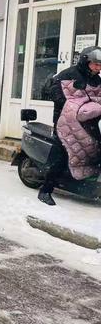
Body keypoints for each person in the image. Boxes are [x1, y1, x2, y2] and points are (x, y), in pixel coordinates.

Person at [41, 46, 101, 205]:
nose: (97, 68)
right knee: (63, 154)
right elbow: (55, 93)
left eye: (100, 65)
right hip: (66, 123)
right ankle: (45, 190)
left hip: (90, 123)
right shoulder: (69, 75)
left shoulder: (97, 80)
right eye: (94, 64)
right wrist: (76, 107)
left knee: (95, 150)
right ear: (85, 61)